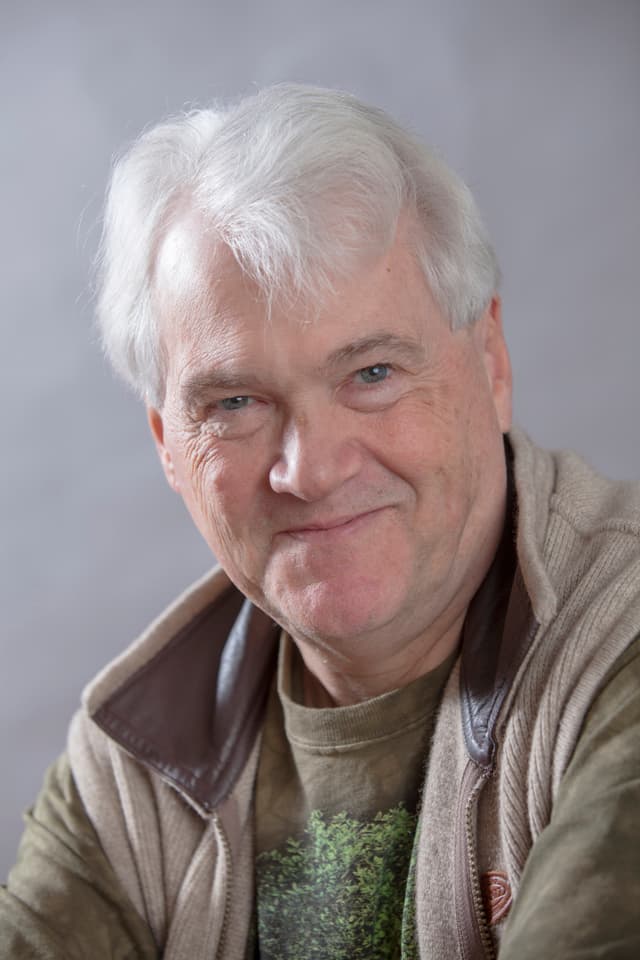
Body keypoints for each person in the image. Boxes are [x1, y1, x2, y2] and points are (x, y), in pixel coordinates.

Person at [1, 83, 639, 960]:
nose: (310, 470)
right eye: (235, 402)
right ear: (168, 446)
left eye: (372, 374)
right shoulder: (133, 764)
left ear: (490, 362)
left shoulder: (620, 651)